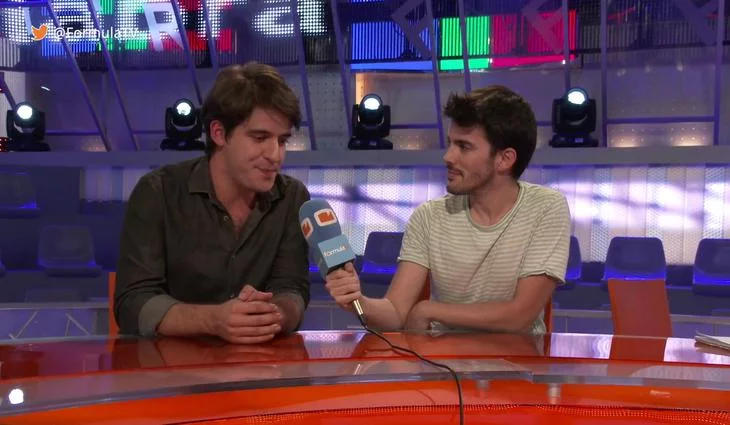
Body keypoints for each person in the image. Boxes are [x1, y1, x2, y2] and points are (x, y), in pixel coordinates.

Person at [326, 85, 571, 335]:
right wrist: (357, 301)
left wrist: (430, 310)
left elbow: (519, 315)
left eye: (464, 146)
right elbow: (396, 313)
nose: (448, 156)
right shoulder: (429, 216)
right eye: (451, 143)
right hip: (444, 356)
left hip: (520, 356)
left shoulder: (546, 208)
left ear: (504, 159)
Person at [115, 62, 311, 344]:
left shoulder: (292, 198)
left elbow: (292, 288)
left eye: (282, 141)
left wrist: (273, 314)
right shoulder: (158, 192)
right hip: (169, 363)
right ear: (219, 133)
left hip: (258, 362)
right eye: (260, 138)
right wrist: (214, 320)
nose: (275, 155)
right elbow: (133, 302)